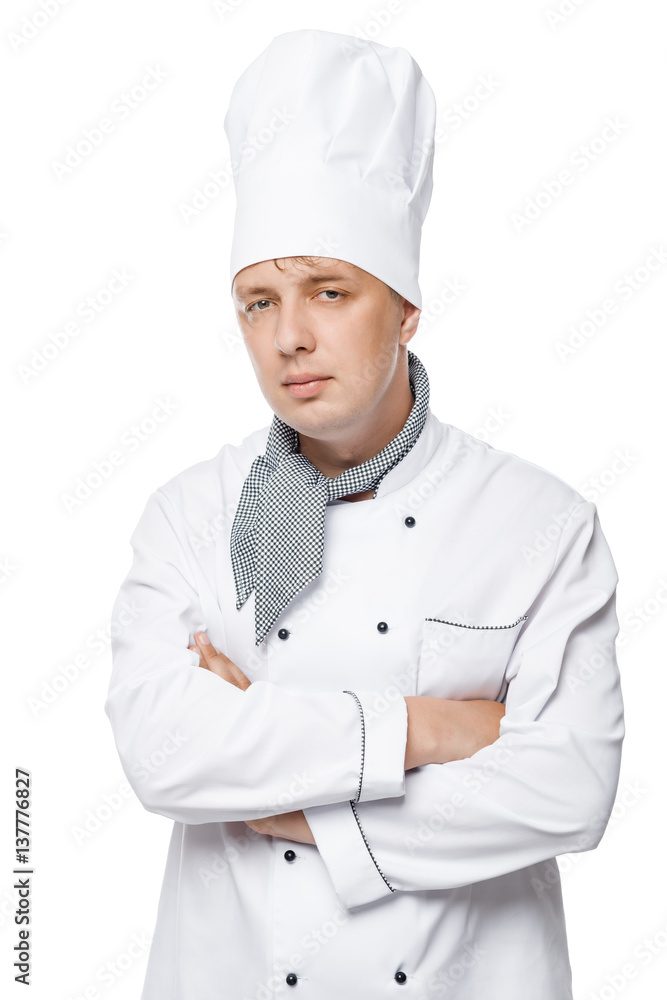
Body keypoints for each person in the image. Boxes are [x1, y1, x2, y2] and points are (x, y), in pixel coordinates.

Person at [104, 28, 624, 1000]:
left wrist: (296, 799)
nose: (289, 336)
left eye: (328, 291)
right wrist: (430, 728)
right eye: (257, 302)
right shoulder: (188, 517)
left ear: (408, 307)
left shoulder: (540, 524)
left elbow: (568, 789)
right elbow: (164, 756)